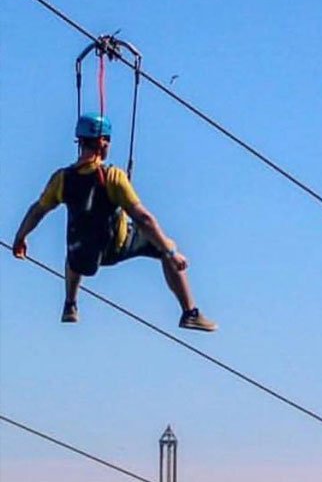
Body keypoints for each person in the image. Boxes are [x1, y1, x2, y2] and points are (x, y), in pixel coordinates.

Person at [12, 112, 217, 331]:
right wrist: (170, 252)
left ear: (80, 142)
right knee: (166, 243)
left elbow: (37, 211)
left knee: (76, 246)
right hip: (116, 246)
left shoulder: (62, 178)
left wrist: (20, 237)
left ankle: (70, 304)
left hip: (85, 254)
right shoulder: (113, 177)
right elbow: (143, 218)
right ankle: (189, 313)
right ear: (103, 142)